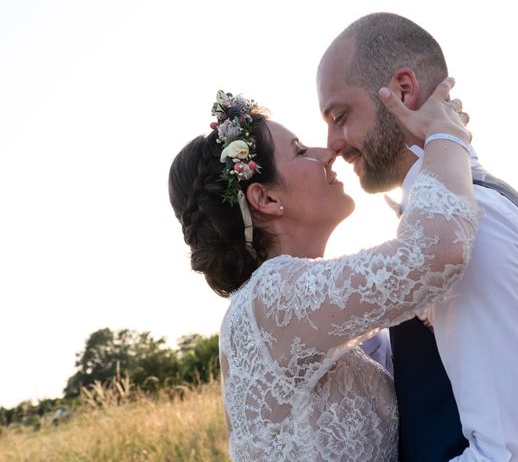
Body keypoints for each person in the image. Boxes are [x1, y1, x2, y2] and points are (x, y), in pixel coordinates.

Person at [317, 12, 518, 461]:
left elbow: (516, 455)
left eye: (339, 115)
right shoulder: (450, 221)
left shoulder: (473, 230)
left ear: (403, 91)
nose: (331, 142)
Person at [169, 81, 478, 460]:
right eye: (300, 151)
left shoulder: (300, 311)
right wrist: (445, 136)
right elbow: (437, 252)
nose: (328, 151)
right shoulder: (273, 297)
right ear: (266, 198)